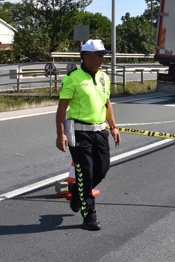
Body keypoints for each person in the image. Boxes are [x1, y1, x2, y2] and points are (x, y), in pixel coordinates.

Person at [55, 39, 120, 231]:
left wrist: (114, 127)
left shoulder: (103, 77)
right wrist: (60, 134)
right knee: (86, 172)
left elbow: (107, 103)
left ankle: (76, 190)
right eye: (99, 55)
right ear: (86, 57)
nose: (103, 58)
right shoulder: (73, 78)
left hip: (100, 132)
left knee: (102, 169)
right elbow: (62, 108)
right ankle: (89, 215)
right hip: (80, 133)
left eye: (103, 55)